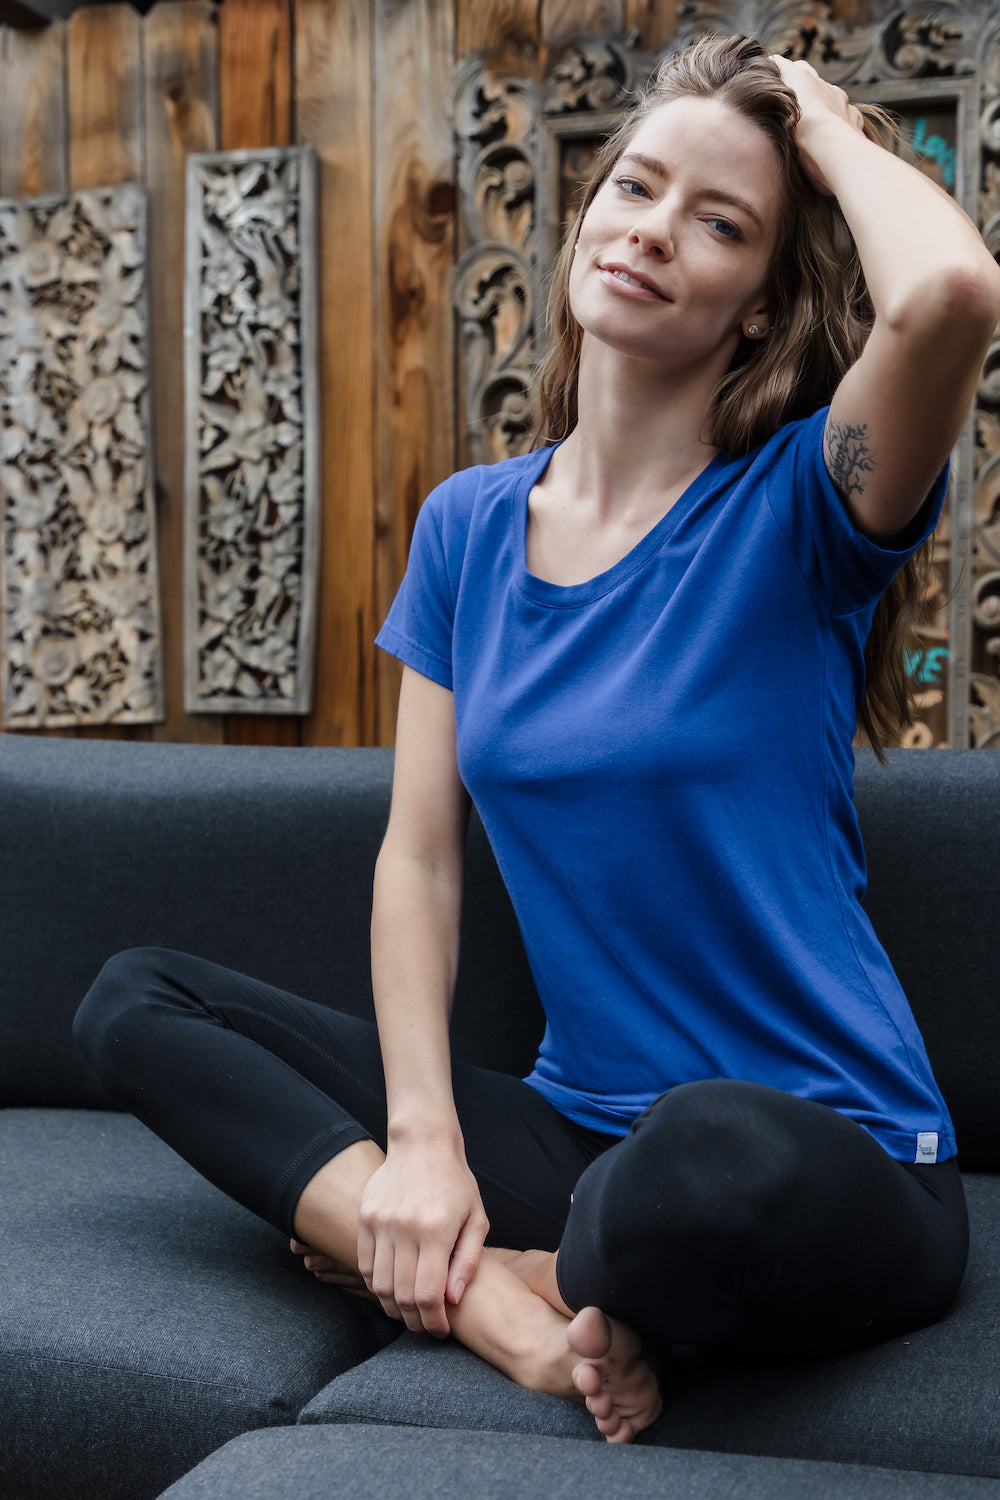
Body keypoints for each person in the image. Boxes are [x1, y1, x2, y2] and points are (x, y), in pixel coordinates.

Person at [74, 35, 1000, 1445]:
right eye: (636, 186)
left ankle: (523, 1275)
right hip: (579, 1138)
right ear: (584, 214)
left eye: (720, 223)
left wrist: (814, 117)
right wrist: (424, 1149)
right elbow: (421, 858)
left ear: (760, 306)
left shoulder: (804, 509)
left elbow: (950, 294)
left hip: (825, 1152)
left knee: (698, 1151)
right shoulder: (466, 527)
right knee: (137, 1000)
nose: (655, 230)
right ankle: (499, 1305)